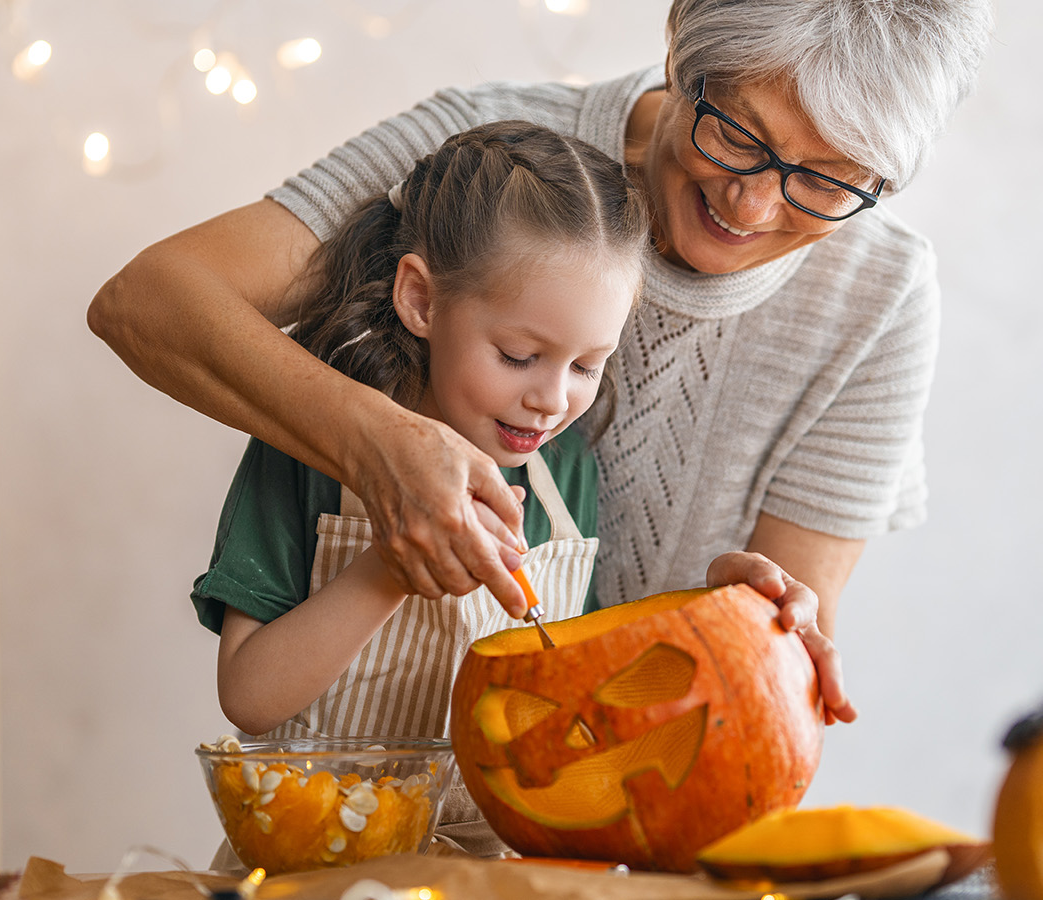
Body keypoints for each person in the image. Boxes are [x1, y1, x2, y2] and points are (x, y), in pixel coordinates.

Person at [90, 0, 995, 726]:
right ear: (684, 48)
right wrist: (380, 449)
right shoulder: (485, 161)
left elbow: (766, 693)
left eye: (828, 180)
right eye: (738, 133)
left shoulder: (882, 299)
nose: (753, 204)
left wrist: (744, 621)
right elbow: (150, 301)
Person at [191, 121, 647, 856]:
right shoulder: (308, 453)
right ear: (422, 301)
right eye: (521, 355)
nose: (552, 399)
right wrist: (391, 565)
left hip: (496, 870)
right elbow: (249, 698)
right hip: (317, 865)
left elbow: (576, 693)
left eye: (588, 366)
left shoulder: (567, 476)